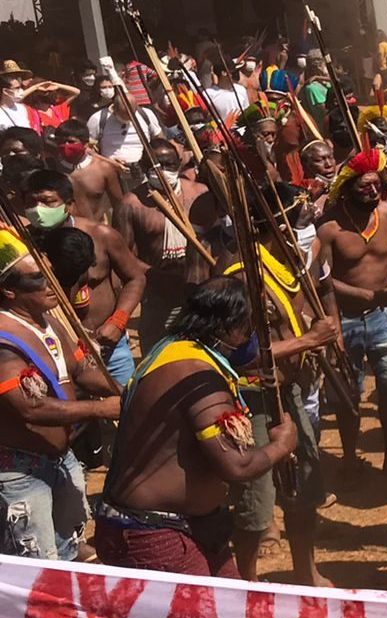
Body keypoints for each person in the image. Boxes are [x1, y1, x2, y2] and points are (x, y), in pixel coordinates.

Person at [94, 277, 298, 578]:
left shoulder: (175, 350)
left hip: (192, 527)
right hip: (155, 532)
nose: (251, 336)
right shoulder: (198, 377)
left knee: (229, 613)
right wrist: (282, 445)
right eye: (250, 326)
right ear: (228, 327)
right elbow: (237, 466)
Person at [222, 182, 341, 587]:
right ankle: (249, 585)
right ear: (273, 226)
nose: (301, 227)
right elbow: (238, 354)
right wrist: (309, 340)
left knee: (303, 487)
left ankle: (306, 573)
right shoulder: (242, 278)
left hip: (288, 393)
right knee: (255, 505)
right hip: (252, 398)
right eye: (294, 219)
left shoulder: (281, 268)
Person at [0, 227, 120, 562]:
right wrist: (101, 410)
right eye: (39, 278)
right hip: (21, 472)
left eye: (50, 272)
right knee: (38, 566)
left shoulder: (46, 319)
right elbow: (30, 409)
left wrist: (126, 391)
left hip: (59, 461)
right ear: (10, 290)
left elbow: (80, 370)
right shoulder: (3, 340)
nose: (52, 283)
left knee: (67, 551)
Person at [315, 147, 387, 478]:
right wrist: (354, 302)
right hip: (344, 319)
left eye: (376, 185)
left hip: (384, 316)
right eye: (364, 186)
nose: (372, 191)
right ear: (348, 188)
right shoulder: (330, 228)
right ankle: (350, 460)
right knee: (347, 393)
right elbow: (321, 280)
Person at [25, 170, 147, 387]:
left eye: (47, 202)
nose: (39, 210)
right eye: (32, 203)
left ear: (69, 204)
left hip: (110, 345)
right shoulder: (22, 246)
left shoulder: (102, 236)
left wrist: (118, 321)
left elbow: (135, 278)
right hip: (58, 351)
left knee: (126, 403)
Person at [115, 138, 219, 351]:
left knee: (202, 346)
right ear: (144, 167)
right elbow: (123, 256)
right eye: (155, 165)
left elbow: (217, 238)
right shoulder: (131, 204)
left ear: (179, 163)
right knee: (156, 349)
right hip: (158, 292)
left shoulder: (200, 193)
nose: (162, 171)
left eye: (169, 164)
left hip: (201, 289)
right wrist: (157, 276)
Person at [52, 120, 120, 224]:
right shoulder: (52, 168)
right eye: (61, 142)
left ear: (85, 144)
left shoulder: (103, 169)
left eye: (71, 141)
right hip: (67, 232)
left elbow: (119, 204)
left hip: (98, 229)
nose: (65, 145)